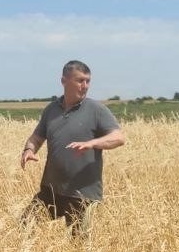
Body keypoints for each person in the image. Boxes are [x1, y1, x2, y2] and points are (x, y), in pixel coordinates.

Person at [20, 59, 125, 234]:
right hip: (51, 189)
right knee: (25, 225)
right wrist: (29, 150)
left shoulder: (96, 110)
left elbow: (119, 138)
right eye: (80, 80)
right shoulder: (51, 110)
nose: (85, 85)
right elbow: (36, 138)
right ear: (64, 81)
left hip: (82, 193)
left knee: (78, 244)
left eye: (88, 81)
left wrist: (92, 143)